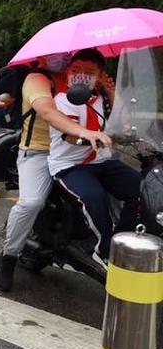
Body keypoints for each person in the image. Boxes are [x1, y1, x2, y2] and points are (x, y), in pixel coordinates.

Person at [0, 53, 113, 292]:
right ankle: (8, 256)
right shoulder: (37, 79)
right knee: (31, 203)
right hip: (38, 153)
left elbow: (110, 114)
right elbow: (48, 112)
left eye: (66, 56)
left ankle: (110, 247)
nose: (61, 58)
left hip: (77, 151)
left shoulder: (81, 78)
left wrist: (108, 89)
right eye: (55, 55)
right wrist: (85, 132)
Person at [49, 48, 140, 263]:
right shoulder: (63, 99)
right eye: (75, 69)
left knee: (142, 188)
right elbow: (69, 135)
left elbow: (123, 122)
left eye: (89, 72)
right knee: (94, 197)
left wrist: (109, 91)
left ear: (99, 75)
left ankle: (122, 238)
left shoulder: (100, 99)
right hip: (70, 165)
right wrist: (91, 136)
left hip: (100, 160)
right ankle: (103, 250)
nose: (80, 75)